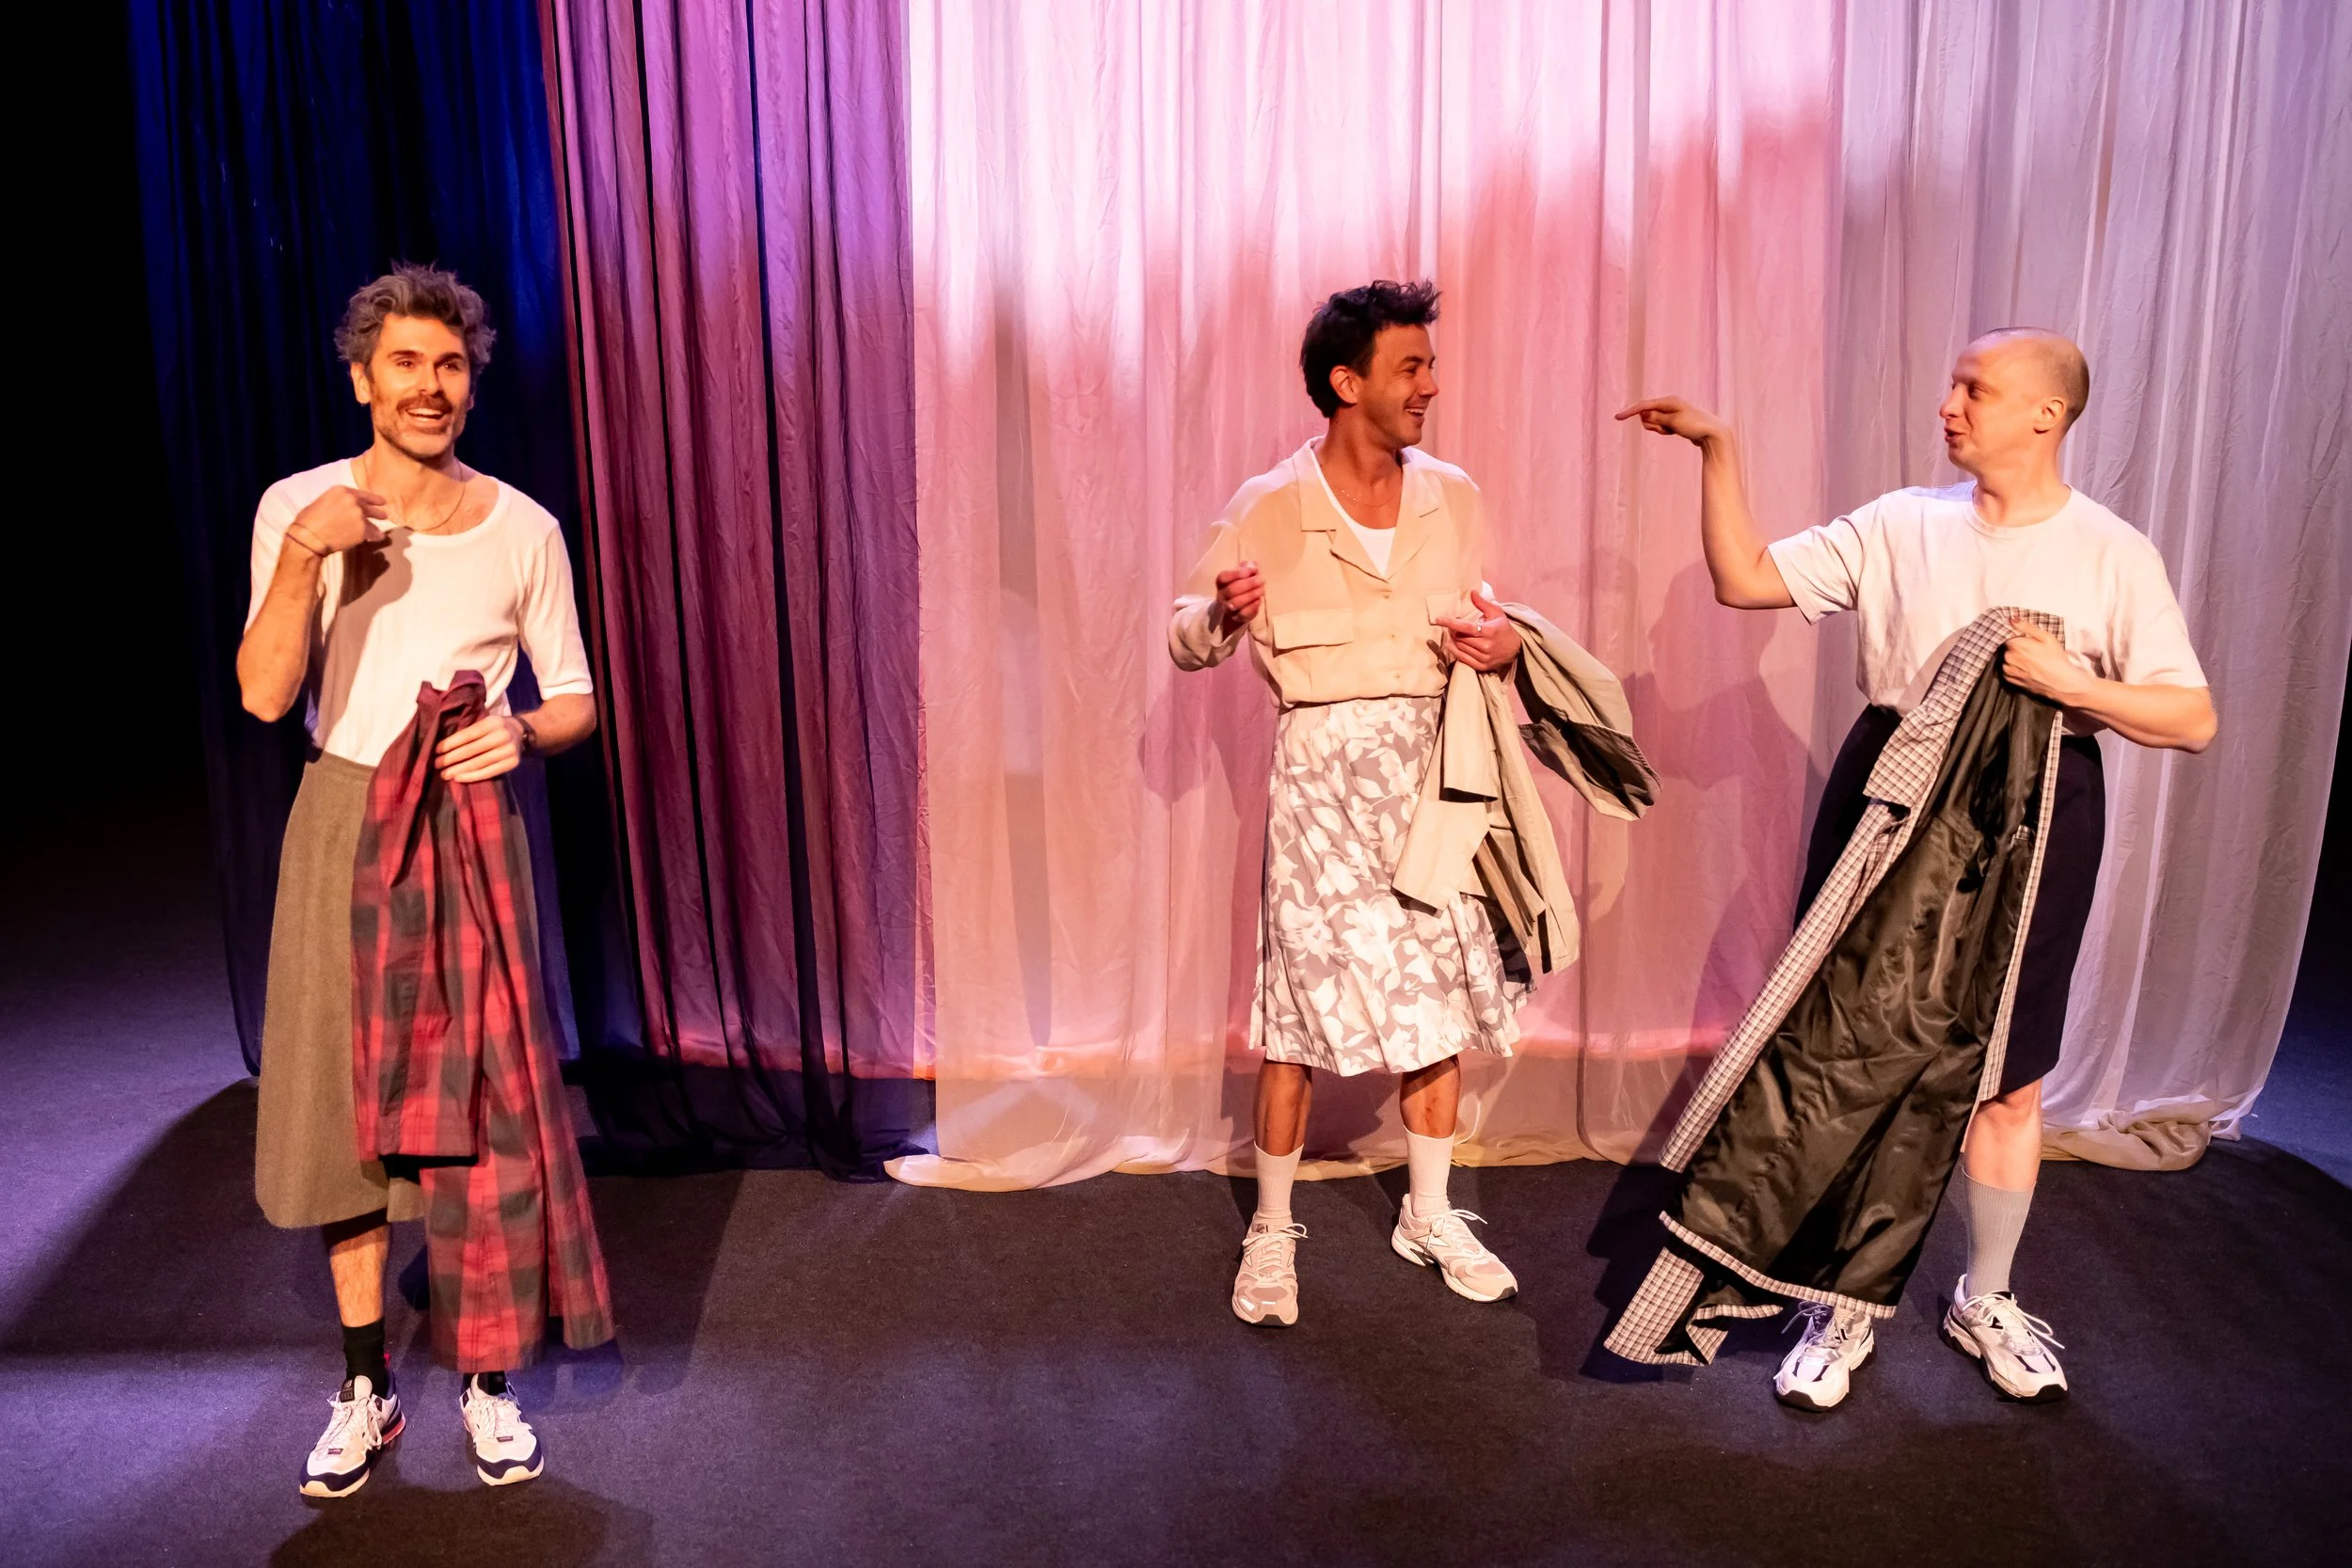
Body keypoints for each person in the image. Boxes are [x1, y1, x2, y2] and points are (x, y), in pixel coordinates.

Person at [1615, 327, 2215, 1407]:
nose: (1948, 404)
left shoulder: (2109, 550)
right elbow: (1746, 580)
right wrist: (1717, 450)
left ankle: (1984, 1293)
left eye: (1974, 388)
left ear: (2044, 414)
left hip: (2033, 815)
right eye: (1949, 383)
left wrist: (2071, 683)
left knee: (2007, 1069)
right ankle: (1833, 1301)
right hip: (1889, 797)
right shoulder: (1901, 522)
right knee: (1848, 1049)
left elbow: (2191, 714)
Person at [238, 263, 611, 1494]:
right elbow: (261, 690)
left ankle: (487, 1379)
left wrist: (525, 733)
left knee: (483, 1110)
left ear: (471, 378)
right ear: (362, 377)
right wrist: (307, 553)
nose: (430, 386)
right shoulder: (299, 503)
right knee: (345, 1116)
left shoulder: (523, 526)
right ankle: (363, 1385)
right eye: (406, 362)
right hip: (343, 817)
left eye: (449, 364)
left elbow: (574, 697)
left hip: (466, 830)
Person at [1169, 280, 1532, 1326]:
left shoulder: (1452, 496)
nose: (1431, 383)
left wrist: (1502, 646)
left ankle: (1428, 1209)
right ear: (1347, 381)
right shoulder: (1269, 504)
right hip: (1321, 780)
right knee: (1295, 1013)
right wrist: (1220, 619)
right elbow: (1186, 635)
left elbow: (1488, 623)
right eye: (1410, 365)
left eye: (1428, 363)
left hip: (1432, 770)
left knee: (1434, 998)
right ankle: (1272, 1228)